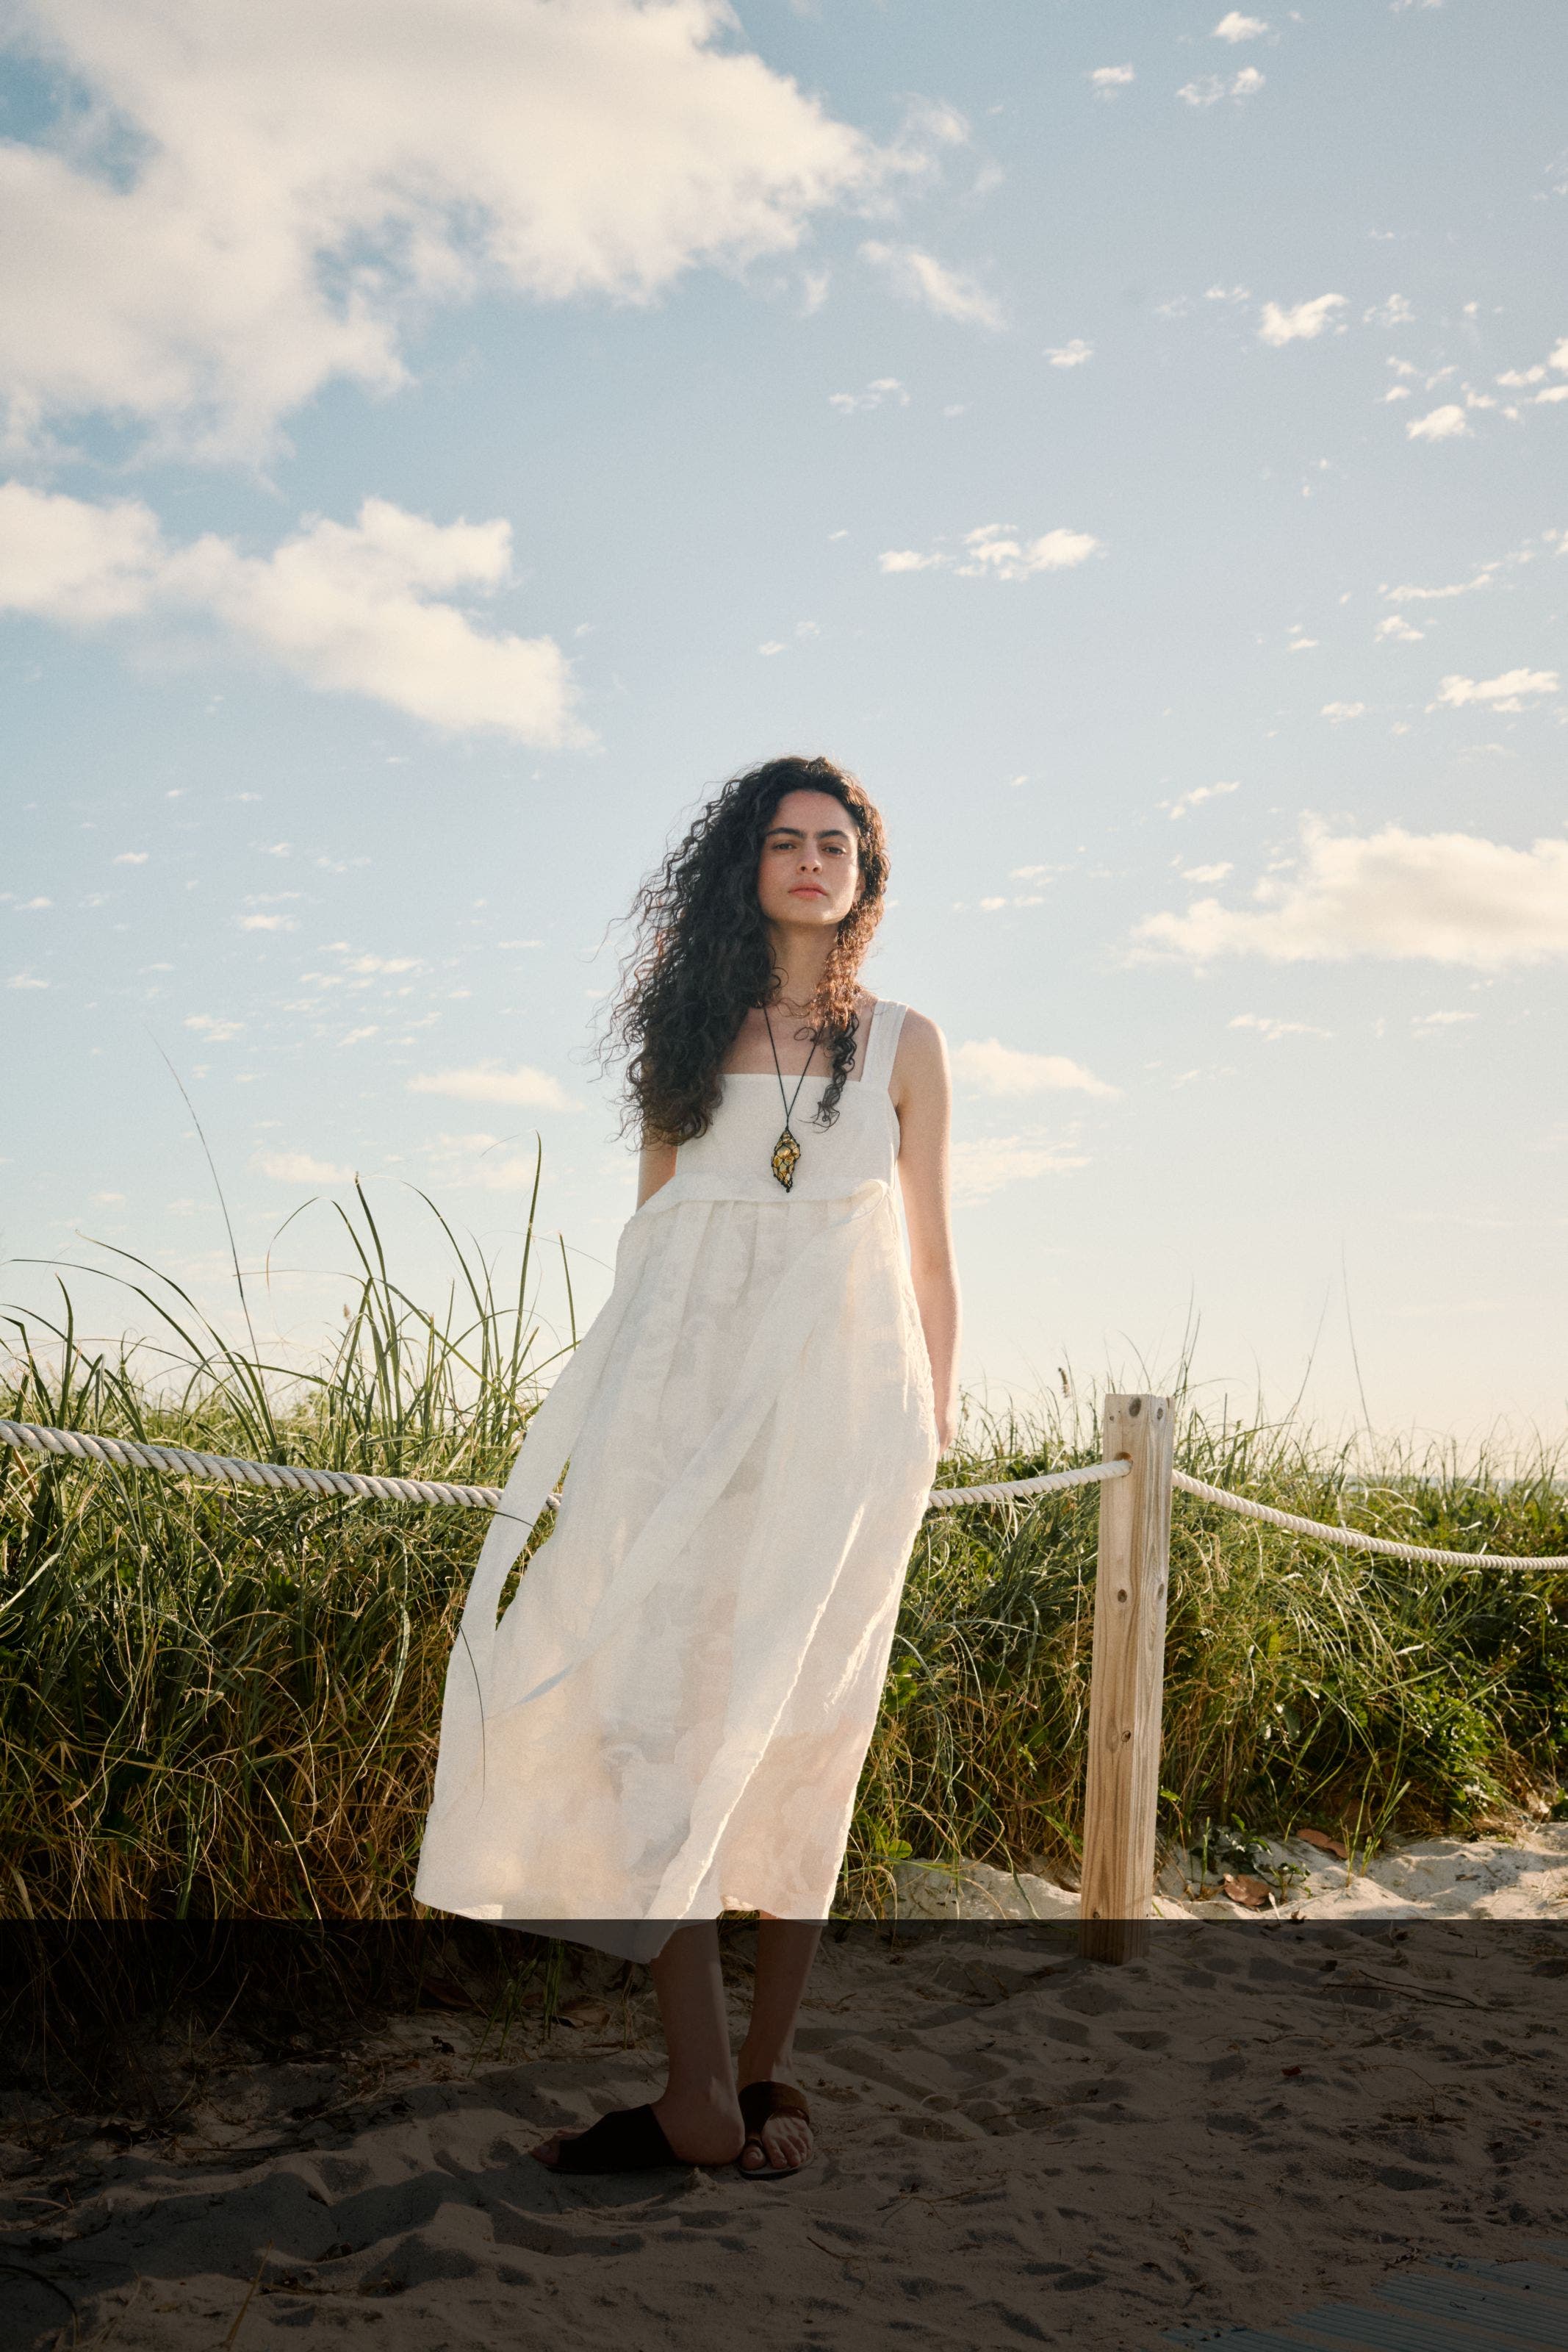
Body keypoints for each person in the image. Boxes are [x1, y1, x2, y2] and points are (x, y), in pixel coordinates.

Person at [414, 755, 960, 2178]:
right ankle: (696, 2087)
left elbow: (927, 1260)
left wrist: (929, 1428)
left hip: (841, 1439)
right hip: (686, 1424)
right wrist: (609, 1432)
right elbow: (651, 1244)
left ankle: (769, 2077)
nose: (805, 860)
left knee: (804, 1733)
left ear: (864, 875)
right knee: (654, 1724)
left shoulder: (905, 1045)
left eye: (831, 842)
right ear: (747, 867)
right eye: (781, 840)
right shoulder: (684, 1035)